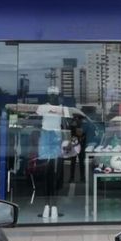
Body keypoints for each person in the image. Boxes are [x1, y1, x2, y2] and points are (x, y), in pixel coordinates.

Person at [36, 86, 68, 221]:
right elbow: (37, 124)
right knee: (45, 174)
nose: (53, 96)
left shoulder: (63, 109)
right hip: (45, 139)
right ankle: (47, 206)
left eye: (55, 94)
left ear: (58, 95)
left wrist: (66, 141)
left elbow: (66, 126)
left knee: (55, 175)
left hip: (56, 139)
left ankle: (53, 206)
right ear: (48, 95)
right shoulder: (42, 108)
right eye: (51, 94)